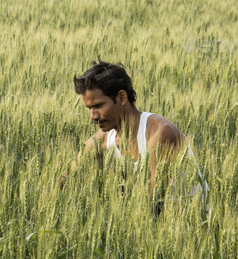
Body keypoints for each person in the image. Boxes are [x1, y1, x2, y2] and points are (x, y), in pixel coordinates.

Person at [60, 57, 208, 207]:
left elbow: (151, 205)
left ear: (122, 97)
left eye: (98, 105)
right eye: (89, 109)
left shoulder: (160, 134)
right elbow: (66, 176)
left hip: (190, 226)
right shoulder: (104, 138)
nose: (93, 116)